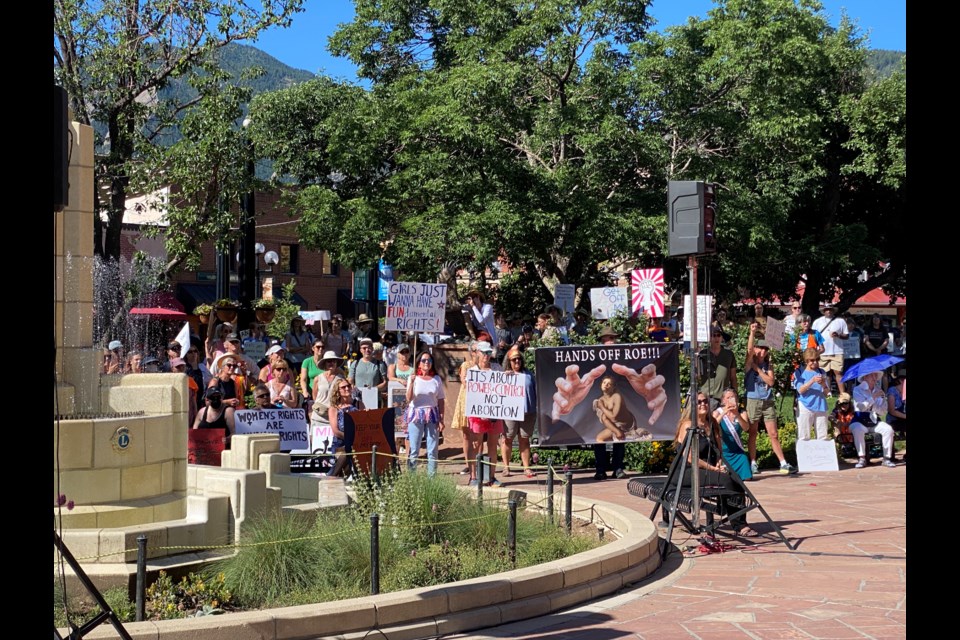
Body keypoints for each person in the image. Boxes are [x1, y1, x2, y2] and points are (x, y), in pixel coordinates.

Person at [673, 393, 756, 538]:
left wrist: (718, 463)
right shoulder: (688, 425)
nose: (703, 404)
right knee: (725, 480)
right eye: (699, 402)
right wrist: (712, 468)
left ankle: (740, 521)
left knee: (736, 479)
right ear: (693, 405)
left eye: (705, 401)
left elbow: (718, 451)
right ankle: (738, 523)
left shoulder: (712, 424)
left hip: (706, 469)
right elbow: (690, 457)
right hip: (685, 471)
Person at [744, 323, 796, 475]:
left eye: (765, 349)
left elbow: (771, 382)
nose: (762, 351)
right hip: (753, 400)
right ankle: (753, 462)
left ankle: (783, 463)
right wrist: (752, 333)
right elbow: (748, 349)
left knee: (773, 434)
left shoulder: (768, 365)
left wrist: (759, 370)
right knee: (753, 432)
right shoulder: (749, 363)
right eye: (760, 348)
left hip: (767, 401)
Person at [466, 341, 503, 487]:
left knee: (493, 445)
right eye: (484, 353)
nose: (487, 356)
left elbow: (504, 388)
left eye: (489, 353)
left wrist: (509, 377)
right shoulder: (472, 371)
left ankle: (491, 477)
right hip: (477, 415)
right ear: (478, 353)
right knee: (475, 444)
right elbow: (470, 394)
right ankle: (474, 476)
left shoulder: (497, 368)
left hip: (494, 413)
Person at [404, 350, 445, 475]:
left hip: (432, 414)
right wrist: (410, 382)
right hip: (416, 414)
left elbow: (441, 400)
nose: (427, 362)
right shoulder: (413, 378)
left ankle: (431, 477)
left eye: (429, 360)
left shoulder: (436, 379)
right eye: (424, 360)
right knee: (414, 449)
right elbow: (408, 398)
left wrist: (441, 419)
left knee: (432, 449)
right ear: (419, 363)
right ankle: (411, 478)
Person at [501, 346, 537, 478]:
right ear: (508, 361)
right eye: (514, 360)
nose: (517, 362)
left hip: (528, 412)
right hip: (509, 412)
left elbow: (535, 390)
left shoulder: (528, 374)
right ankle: (506, 467)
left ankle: (526, 467)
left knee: (524, 439)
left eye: (519, 359)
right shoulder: (504, 375)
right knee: (507, 438)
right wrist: (504, 377)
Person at [850, 371, 896, 468]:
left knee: (888, 429)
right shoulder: (857, 389)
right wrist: (873, 397)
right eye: (872, 375)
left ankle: (887, 458)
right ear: (865, 377)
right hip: (860, 420)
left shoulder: (879, 390)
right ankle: (861, 458)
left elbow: (883, 411)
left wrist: (882, 399)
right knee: (857, 429)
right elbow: (861, 407)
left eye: (876, 375)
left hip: (874, 420)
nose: (875, 378)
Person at [451, 341, 479, 476]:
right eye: (475, 350)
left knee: (479, 434)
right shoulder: (466, 365)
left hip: (480, 401)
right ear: (472, 352)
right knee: (467, 434)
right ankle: (469, 464)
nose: (477, 353)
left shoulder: (484, 366)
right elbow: (464, 381)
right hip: (467, 399)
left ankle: (479, 463)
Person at [310, 350, 346, 452]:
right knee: (316, 447)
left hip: (333, 417)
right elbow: (315, 395)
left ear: (336, 363)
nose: (331, 363)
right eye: (329, 361)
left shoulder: (341, 379)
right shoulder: (318, 378)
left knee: (331, 447)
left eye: (333, 361)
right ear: (325, 363)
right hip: (318, 416)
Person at [714, 388, 753, 482]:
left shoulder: (742, 412)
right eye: (728, 397)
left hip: (737, 451)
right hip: (723, 452)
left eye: (733, 397)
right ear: (723, 400)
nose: (730, 399)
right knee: (725, 477)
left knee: (747, 477)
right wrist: (724, 412)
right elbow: (713, 426)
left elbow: (746, 428)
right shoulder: (717, 412)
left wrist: (737, 415)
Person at [328, 378, 364, 478]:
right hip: (340, 443)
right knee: (338, 470)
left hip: (357, 443)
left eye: (348, 386)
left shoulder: (358, 404)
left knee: (346, 472)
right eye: (343, 387)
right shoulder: (334, 408)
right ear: (337, 391)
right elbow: (336, 431)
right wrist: (350, 440)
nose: (347, 388)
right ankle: (330, 480)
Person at [791, 348, 829, 441]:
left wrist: (823, 384)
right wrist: (812, 381)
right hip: (805, 405)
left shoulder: (822, 372)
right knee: (804, 436)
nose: (815, 362)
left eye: (817, 359)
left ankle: (822, 454)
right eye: (812, 360)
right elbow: (800, 390)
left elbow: (827, 393)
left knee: (823, 436)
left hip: (820, 405)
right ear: (806, 361)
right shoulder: (799, 372)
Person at [812, 303, 849, 396]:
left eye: (830, 309)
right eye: (826, 309)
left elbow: (847, 335)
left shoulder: (840, 321)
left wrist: (838, 335)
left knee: (838, 372)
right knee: (824, 373)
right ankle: (827, 393)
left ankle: (842, 394)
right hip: (822, 351)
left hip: (837, 350)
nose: (828, 311)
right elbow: (813, 336)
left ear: (833, 310)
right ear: (824, 311)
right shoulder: (817, 321)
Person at [593, 376, 645, 441]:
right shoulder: (600, 400)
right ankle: (611, 449)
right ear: (601, 384)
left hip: (627, 425)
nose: (606, 385)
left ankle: (621, 437)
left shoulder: (616, 396)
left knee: (619, 436)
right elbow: (604, 418)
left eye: (609, 384)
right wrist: (617, 431)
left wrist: (602, 407)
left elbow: (613, 417)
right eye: (604, 382)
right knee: (599, 438)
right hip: (617, 426)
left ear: (613, 387)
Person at [699, 326, 737, 411]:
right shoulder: (702, 354)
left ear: (722, 338)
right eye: (714, 335)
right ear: (709, 338)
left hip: (724, 398)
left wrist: (735, 395)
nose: (716, 338)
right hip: (707, 398)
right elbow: (696, 375)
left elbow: (733, 377)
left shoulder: (729, 354)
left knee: (723, 423)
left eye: (719, 335)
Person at [388, 343, 415, 454]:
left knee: (407, 431)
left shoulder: (412, 369)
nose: (404, 354)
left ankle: (409, 457)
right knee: (396, 431)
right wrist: (399, 380)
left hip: (408, 402)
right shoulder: (393, 366)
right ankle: (395, 457)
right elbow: (390, 377)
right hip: (395, 401)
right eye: (402, 352)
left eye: (406, 352)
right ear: (397, 354)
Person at [348, 337, 388, 406]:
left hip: (374, 399)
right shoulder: (355, 364)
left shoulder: (379, 364)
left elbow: (385, 382)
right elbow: (350, 381)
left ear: (372, 349)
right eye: (364, 348)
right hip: (358, 400)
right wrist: (355, 389)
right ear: (360, 350)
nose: (367, 350)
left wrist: (374, 389)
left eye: (369, 348)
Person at [299, 337, 327, 409]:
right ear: (313, 348)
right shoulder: (307, 361)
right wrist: (305, 391)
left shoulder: (327, 361)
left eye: (322, 347)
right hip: (311, 394)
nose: (320, 349)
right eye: (318, 347)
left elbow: (339, 371)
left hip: (325, 394)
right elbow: (303, 379)